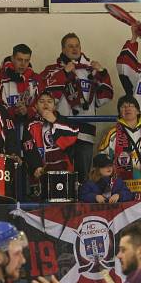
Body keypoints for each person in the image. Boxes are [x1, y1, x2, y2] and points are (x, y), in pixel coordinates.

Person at [40, 32, 114, 181]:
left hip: (85, 131)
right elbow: (46, 97)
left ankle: (82, 203)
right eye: (70, 46)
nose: (74, 49)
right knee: (61, 173)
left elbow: (105, 97)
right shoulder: (52, 70)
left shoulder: (91, 69)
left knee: (83, 176)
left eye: (77, 46)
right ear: (63, 49)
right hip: (61, 130)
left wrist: (102, 73)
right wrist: (64, 74)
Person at [21, 91, 78, 195]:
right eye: (41, 102)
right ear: (35, 106)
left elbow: (72, 137)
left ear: (54, 106)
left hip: (64, 173)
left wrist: (54, 121)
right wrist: (36, 166)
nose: (46, 105)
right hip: (40, 175)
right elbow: (28, 148)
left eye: (49, 101)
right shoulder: (30, 125)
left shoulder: (63, 121)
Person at [0, 44, 41, 136]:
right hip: (5, 127)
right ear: (12, 58)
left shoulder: (36, 79)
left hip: (30, 128)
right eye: (19, 60)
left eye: (26, 60)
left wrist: (28, 111)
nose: (23, 64)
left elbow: (41, 102)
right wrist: (14, 111)